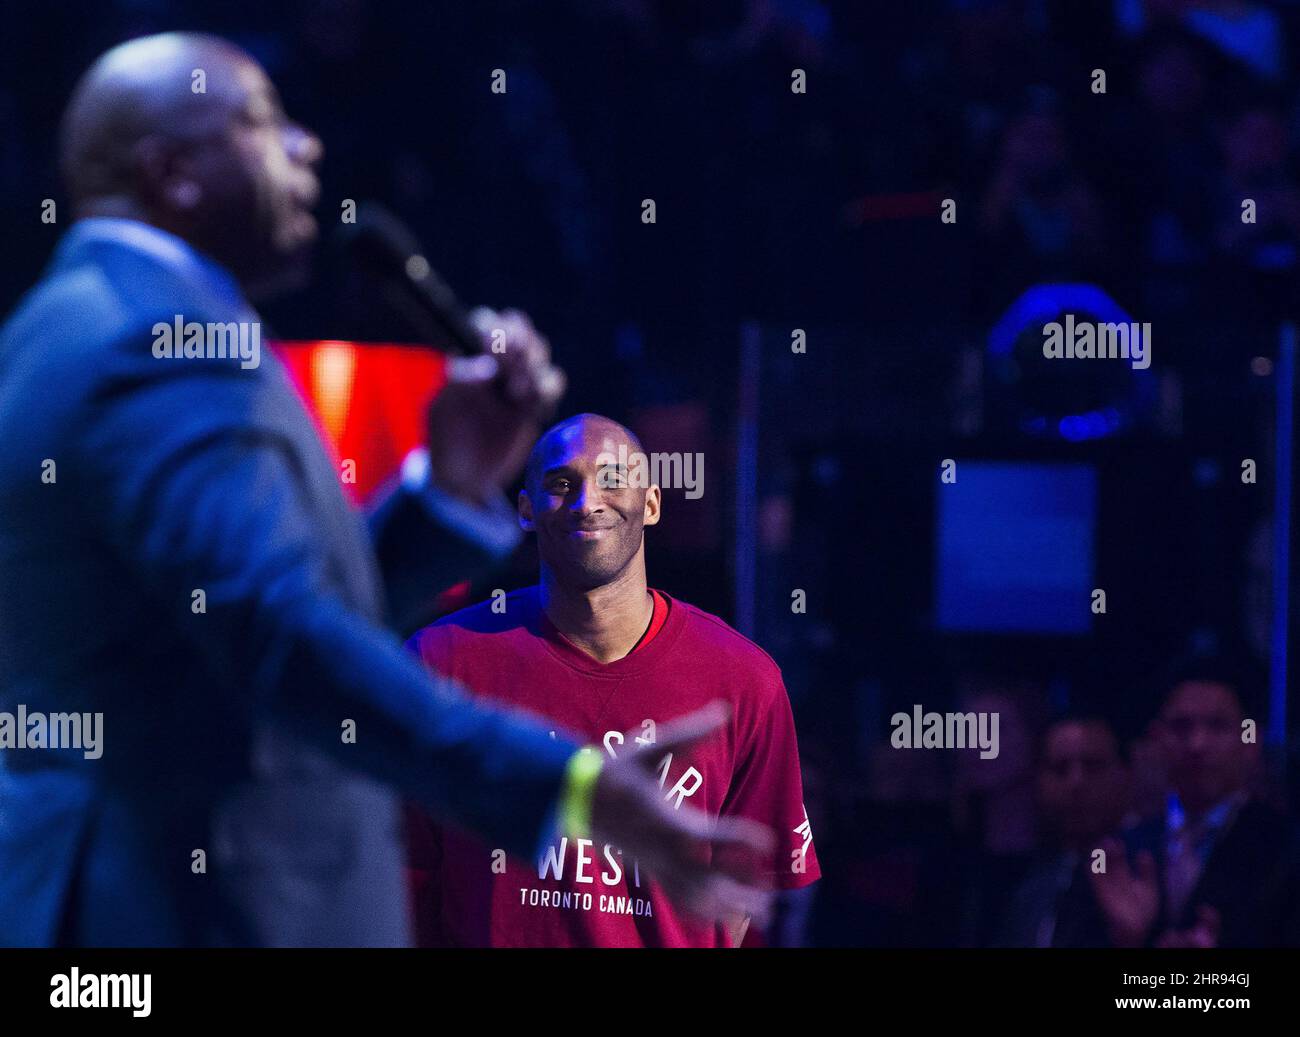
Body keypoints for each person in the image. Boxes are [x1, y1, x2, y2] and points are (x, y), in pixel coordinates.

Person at [0, 33, 767, 947]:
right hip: (194, 906)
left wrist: (448, 490)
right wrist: (567, 784)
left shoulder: (78, 315)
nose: (306, 146)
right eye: (260, 123)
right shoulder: (155, 339)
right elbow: (279, 636)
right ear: (173, 172)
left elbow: (236, 622)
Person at [406, 413, 820, 946]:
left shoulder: (746, 681)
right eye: (561, 484)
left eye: (613, 478)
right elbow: (403, 876)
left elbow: (752, 892)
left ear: (650, 503)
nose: (587, 501)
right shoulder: (442, 660)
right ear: (526, 510)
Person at [1091, 660, 1300, 947]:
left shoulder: (1286, 850)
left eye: (1217, 726)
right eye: (1181, 727)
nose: (1197, 744)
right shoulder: (1124, 851)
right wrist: (1128, 940)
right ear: (1157, 739)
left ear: (1251, 741)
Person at [999, 714, 1130, 947]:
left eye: (1093, 767)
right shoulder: (1029, 888)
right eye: (1060, 769)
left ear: (1125, 773)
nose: (1075, 782)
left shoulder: (1150, 870)